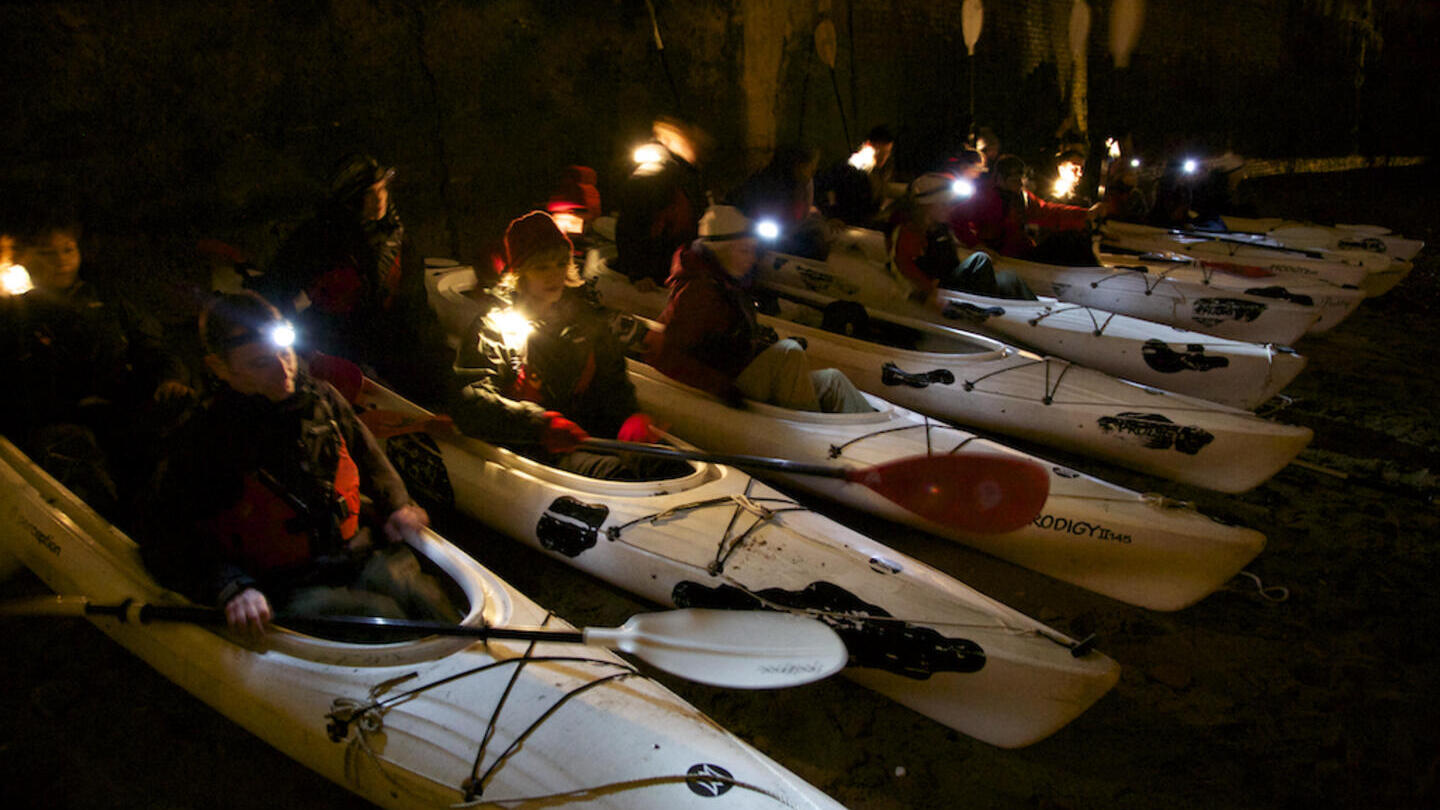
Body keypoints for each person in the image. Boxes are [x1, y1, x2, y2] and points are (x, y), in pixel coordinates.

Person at [142, 291, 458, 635]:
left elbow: (369, 459)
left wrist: (399, 505)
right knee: (380, 615)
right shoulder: (206, 439)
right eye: (259, 364)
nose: (283, 372)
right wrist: (232, 587)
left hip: (358, 554)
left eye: (284, 351)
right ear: (220, 367)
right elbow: (166, 535)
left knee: (425, 599)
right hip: (289, 584)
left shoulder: (322, 398)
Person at [451, 211, 685, 481]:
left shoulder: (586, 320)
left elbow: (612, 385)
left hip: (586, 434)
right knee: (616, 474)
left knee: (668, 462)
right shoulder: (493, 328)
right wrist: (539, 424)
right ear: (519, 273)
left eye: (560, 263)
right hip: (535, 445)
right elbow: (469, 397)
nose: (554, 275)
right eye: (542, 267)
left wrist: (630, 418)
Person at [0, 216, 193, 518]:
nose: (61, 261)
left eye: (68, 250)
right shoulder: (16, 314)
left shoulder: (107, 302)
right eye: (49, 253)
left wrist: (171, 380)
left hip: (122, 413)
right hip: (57, 426)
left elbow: (152, 349)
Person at [256, 152, 447, 404]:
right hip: (337, 347)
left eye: (381, 189)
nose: (378, 198)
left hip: (388, 345)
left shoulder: (397, 239)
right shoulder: (317, 240)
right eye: (368, 193)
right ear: (350, 199)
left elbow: (413, 302)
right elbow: (278, 289)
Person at [648, 206, 871, 414]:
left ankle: (873, 432)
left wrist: (760, 344)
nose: (752, 259)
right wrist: (722, 389)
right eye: (745, 251)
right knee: (789, 352)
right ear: (720, 250)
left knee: (833, 380)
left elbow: (728, 334)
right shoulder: (699, 292)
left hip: (737, 368)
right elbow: (665, 353)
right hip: (725, 383)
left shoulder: (725, 280)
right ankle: (815, 432)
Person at [889, 174, 1034, 304]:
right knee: (980, 260)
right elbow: (902, 267)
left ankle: (1033, 309)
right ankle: (992, 306)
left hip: (954, 284)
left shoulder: (941, 228)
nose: (950, 209)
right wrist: (929, 293)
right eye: (944, 204)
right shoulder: (911, 232)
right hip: (943, 290)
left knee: (1009, 278)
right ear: (927, 206)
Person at [949, 154, 1104, 265]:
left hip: (1022, 252)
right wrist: (977, 245)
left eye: (1020, 179)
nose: (1018, 184)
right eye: (1013, 179)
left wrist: (1086, 214)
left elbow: (1049, 212)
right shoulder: (982, 196)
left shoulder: (1023, 198)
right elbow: (957, 218)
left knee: (1070, 239)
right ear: (1000, 178)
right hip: (1001, 254)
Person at [613, 118, 711, 287]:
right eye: (690, 141)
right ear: (673, 139)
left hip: (677, 267)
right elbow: (631, 223)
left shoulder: (686, 175)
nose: (695, 148)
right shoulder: (655, 173)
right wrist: (639, 273)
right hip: (656, 271)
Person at [727, 144, 830, 259]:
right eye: (810, 166)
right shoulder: (767, 181)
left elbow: (809, 207)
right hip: (767, 235)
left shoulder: (805, 185)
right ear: (797, 164)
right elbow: (749, 205)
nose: (813, 171)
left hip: (790, 232)